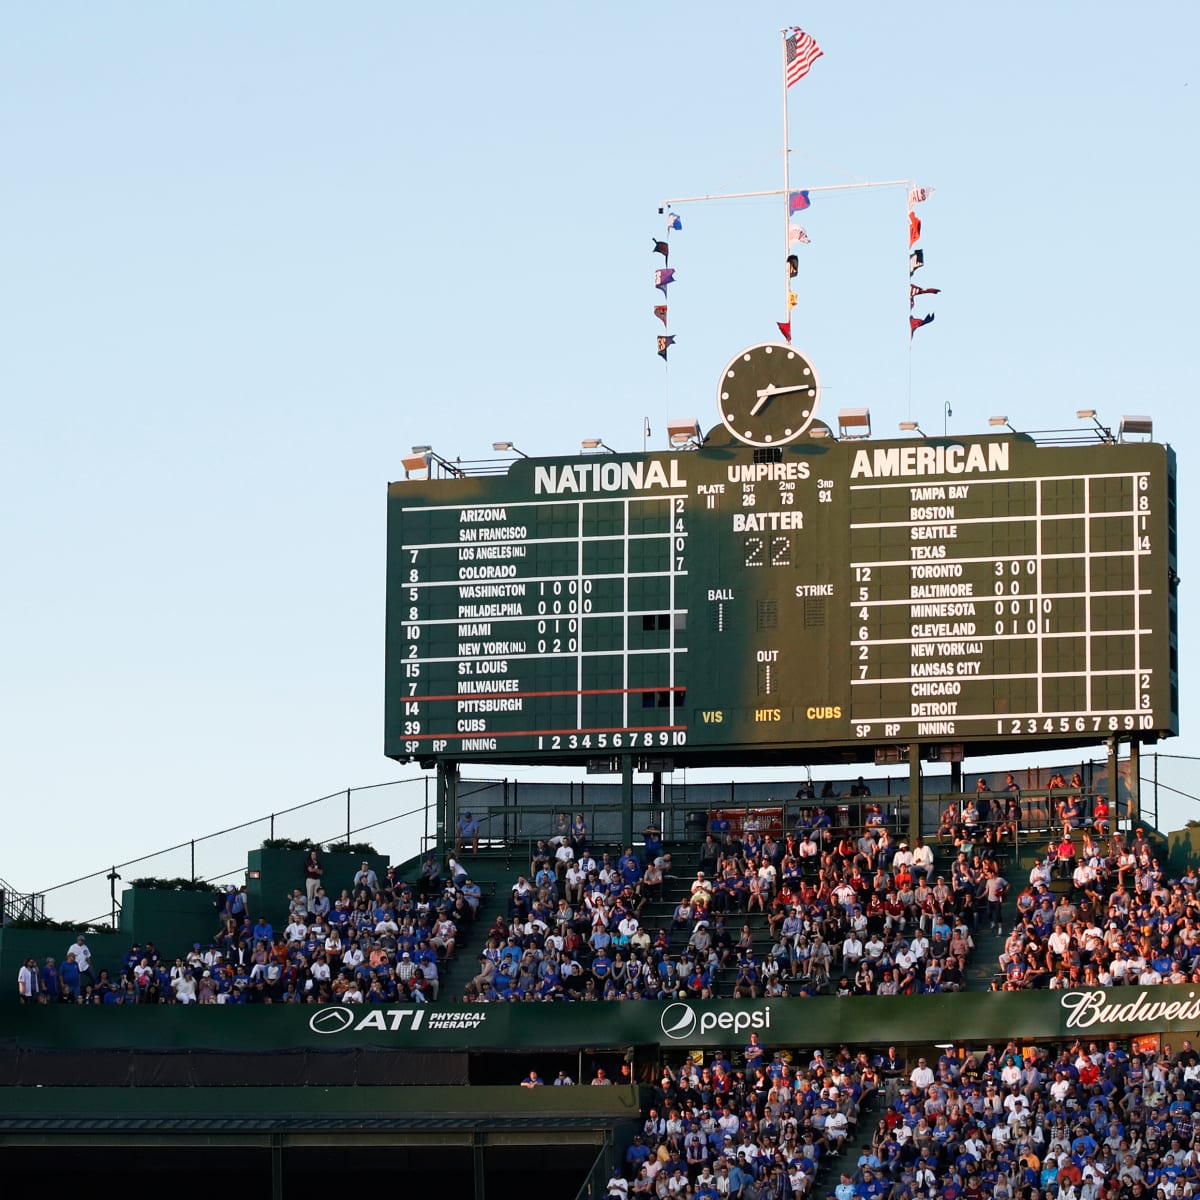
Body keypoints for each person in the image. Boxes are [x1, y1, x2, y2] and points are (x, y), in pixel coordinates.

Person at [304, 849, 324, 913]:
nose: (314, 855)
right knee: (310, 896)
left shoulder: (318, 862)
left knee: (317, 896)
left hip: (317, 880)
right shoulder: (309, 862)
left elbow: (321, 872)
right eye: (312, 854)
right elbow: (310, 870)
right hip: (310, 880)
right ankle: (310, 911)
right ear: (310, 855)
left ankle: (316, 910)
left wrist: (315, 870)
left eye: (315, 854)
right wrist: (316, 870)